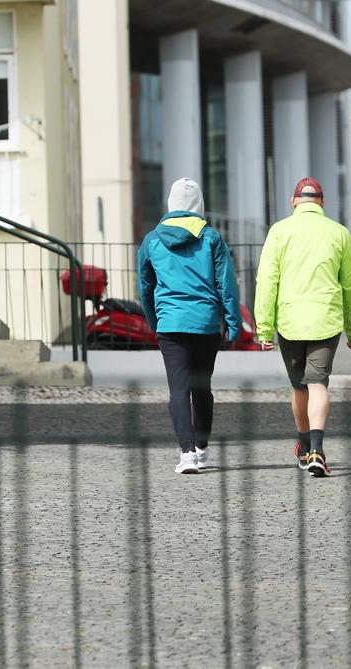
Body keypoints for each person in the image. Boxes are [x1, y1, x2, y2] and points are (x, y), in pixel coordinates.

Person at [254, 177, 351, 477]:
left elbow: (266, 282)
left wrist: (264, 329)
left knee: (299, 386)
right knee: (318, 383)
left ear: (294, 202)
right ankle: (317, 450)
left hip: (289, 321)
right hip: (325, 320)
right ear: (322, 202)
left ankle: (304, 448)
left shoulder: (279, 232)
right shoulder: (339, 233)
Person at [138, 177, 242, 474]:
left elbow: (145, 288)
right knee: (202, 387)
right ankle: (201, 446)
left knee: (178, 390)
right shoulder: (211, 237)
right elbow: (226, 285)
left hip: (170, 324)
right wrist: (232, 324)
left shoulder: (152, 240)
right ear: (198, 205)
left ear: (171, 204)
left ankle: (186, 455)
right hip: (206, 323)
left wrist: (155, 322)